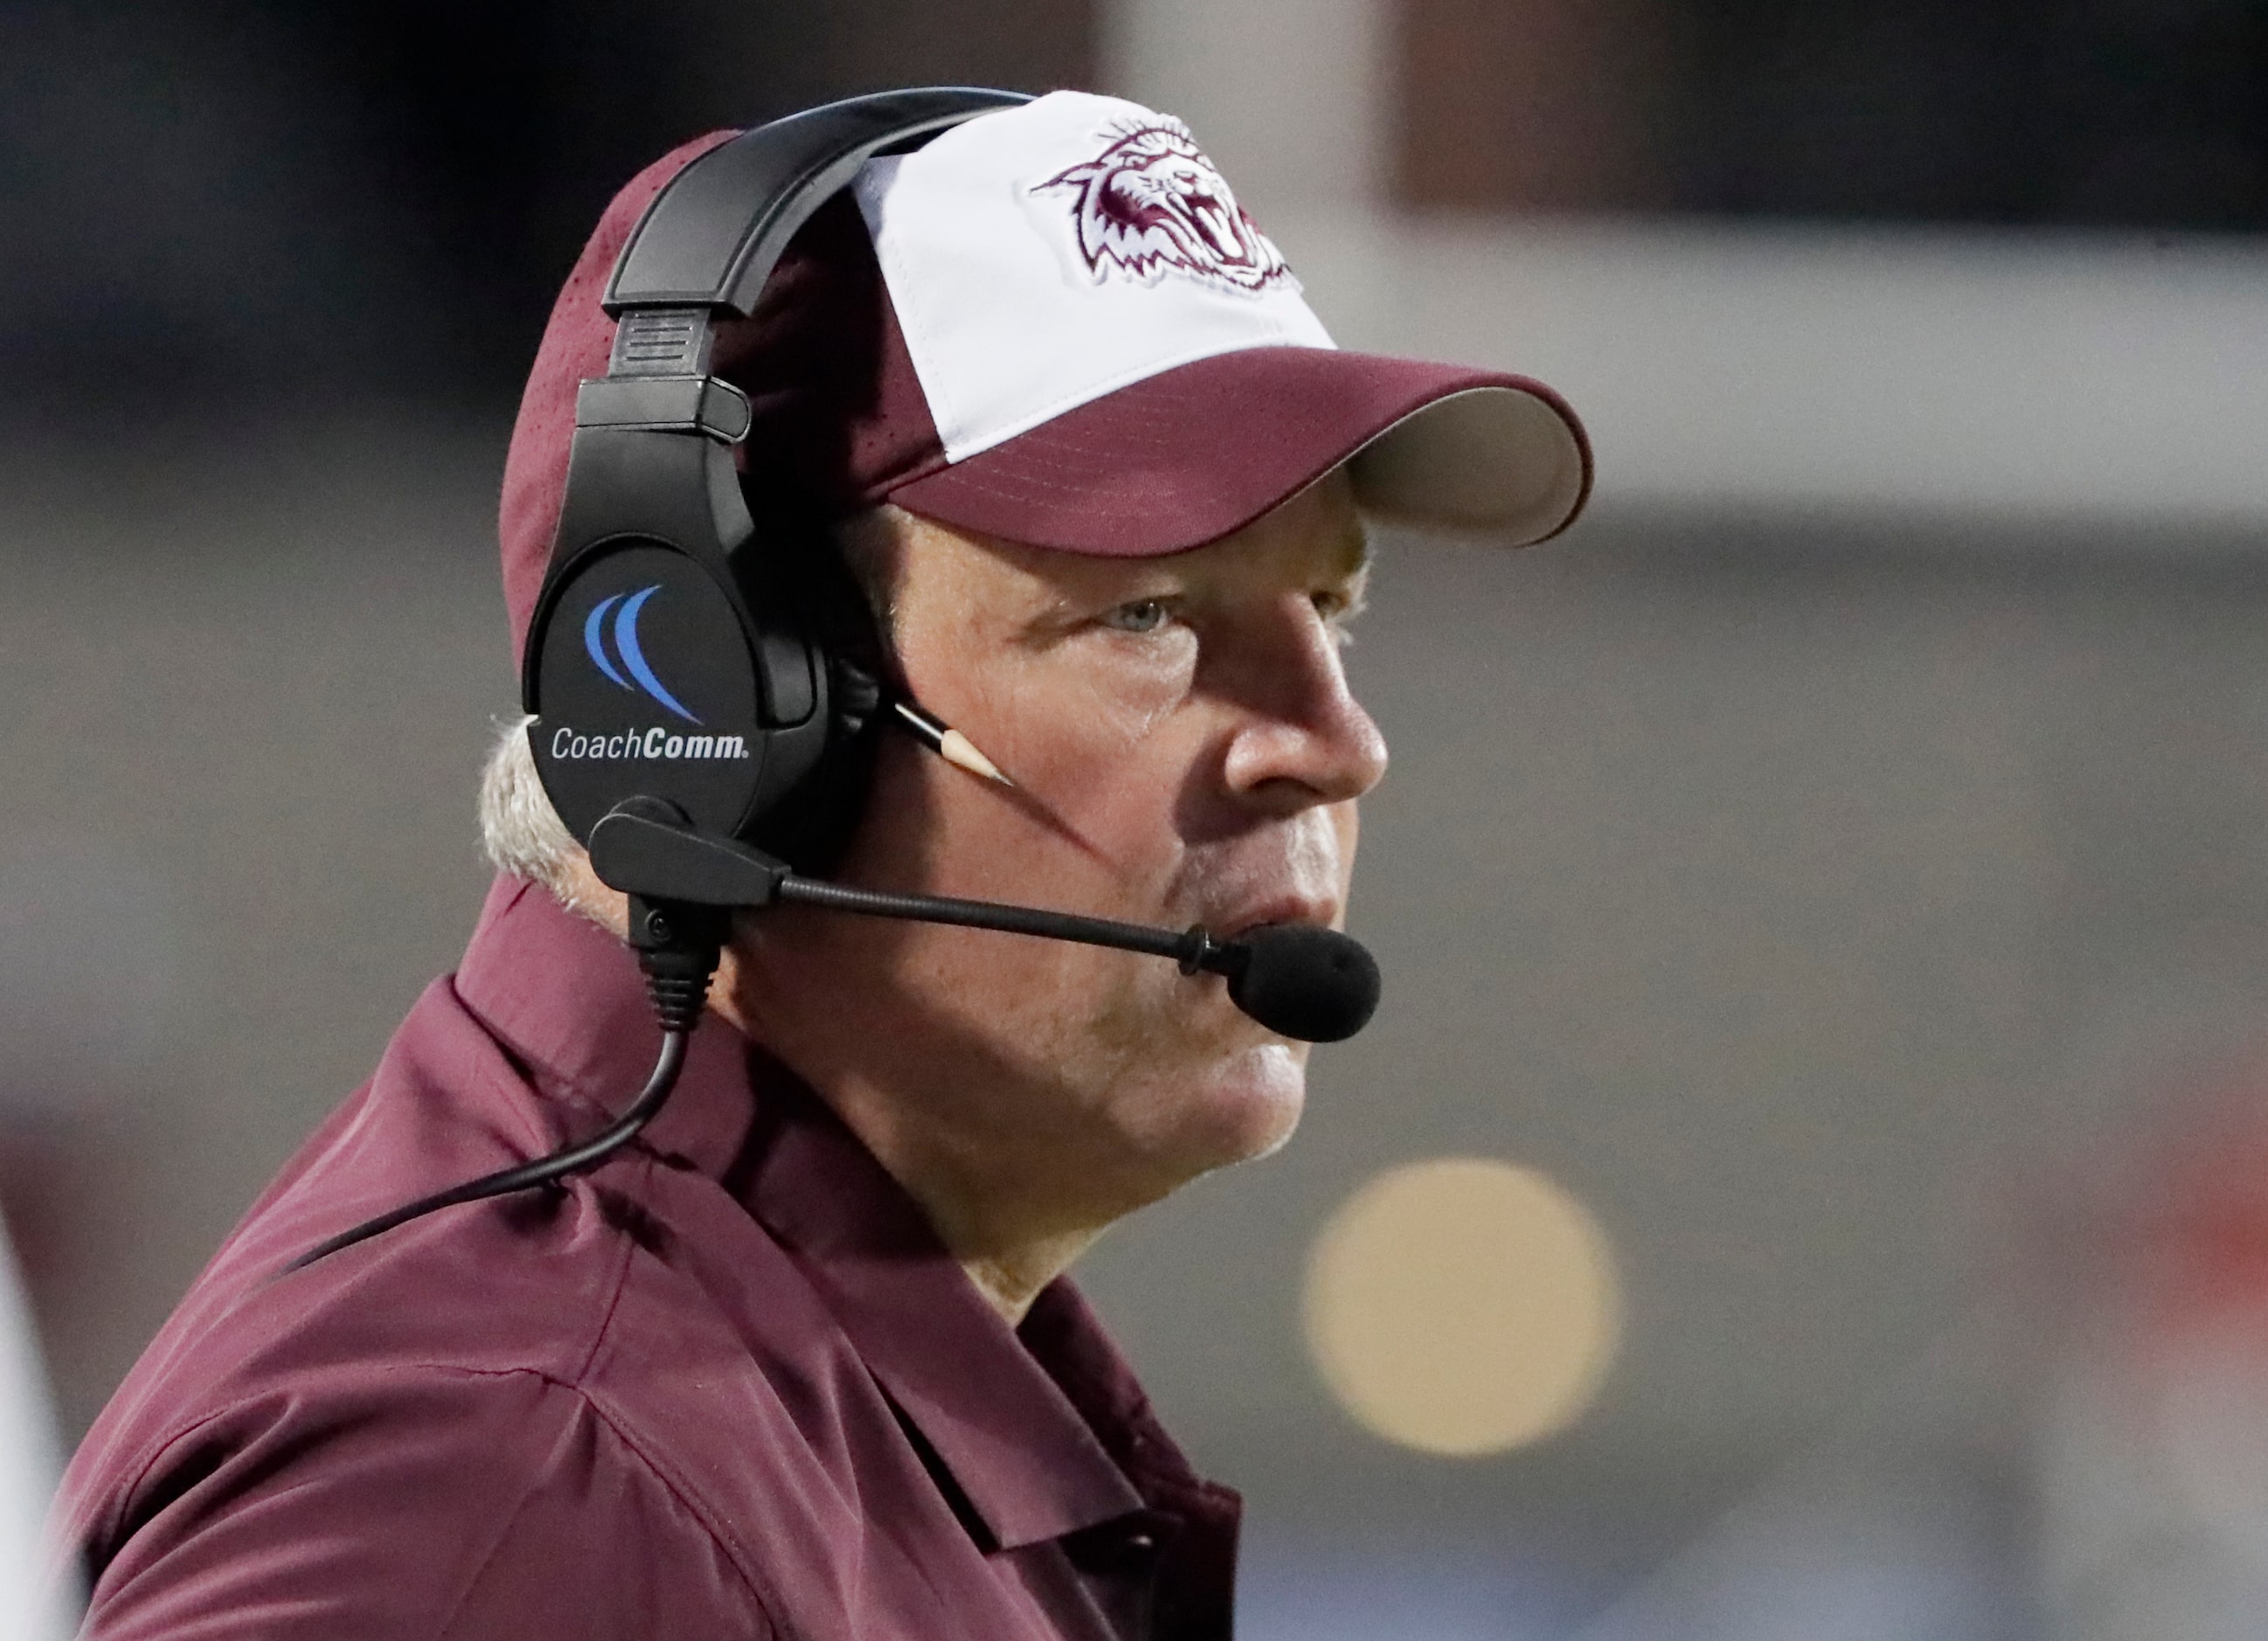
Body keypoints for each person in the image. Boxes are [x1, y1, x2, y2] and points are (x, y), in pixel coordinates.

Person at [55, 90, 1589, 1638]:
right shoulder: (520, 1486)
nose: (1334, 742)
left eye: (1329, 613)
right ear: (722, 706)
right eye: (1153, 614)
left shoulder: (771, 1418)